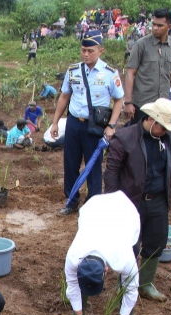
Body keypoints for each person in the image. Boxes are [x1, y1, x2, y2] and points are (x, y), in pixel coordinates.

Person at [105, 98, 171, 303]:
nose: (166, 131)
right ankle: (126, 287)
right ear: (151, 119)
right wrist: (112, 202)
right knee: (130, 248)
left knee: (156, 243)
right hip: (132, 202)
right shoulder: (124, 138)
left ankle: (145, 283)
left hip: (158, 200)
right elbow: (112, 173)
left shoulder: (166, 138)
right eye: (163, 127)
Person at [50, 30, 124, 216]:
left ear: (100, 51)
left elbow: (119, 100)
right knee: (70, 163)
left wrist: (111, 125)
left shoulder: (109, 73)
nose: (86, 54)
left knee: (93, 165)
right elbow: (64, 96)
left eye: (90, 51)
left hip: (96, 125)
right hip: (75, 123)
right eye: (83, 50)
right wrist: (55, 122)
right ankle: (71, 200)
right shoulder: (73, 70)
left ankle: (93, 204)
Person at [64, 191, 140, 315]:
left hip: (125, 213)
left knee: (129, 279)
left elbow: (131, 290)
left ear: (106, 270)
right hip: (93, 208)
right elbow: (72, 286)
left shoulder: (123, 257)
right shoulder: (74, 256)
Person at [124, 8, 171, 123]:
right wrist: (128, 102)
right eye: (154, 24)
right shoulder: (141, 45)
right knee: (139, 138)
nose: (155, 28)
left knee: (163, 138)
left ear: (169, 27)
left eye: (160, 25)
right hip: (142, 105)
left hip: (164, 105)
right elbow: (130, 73)